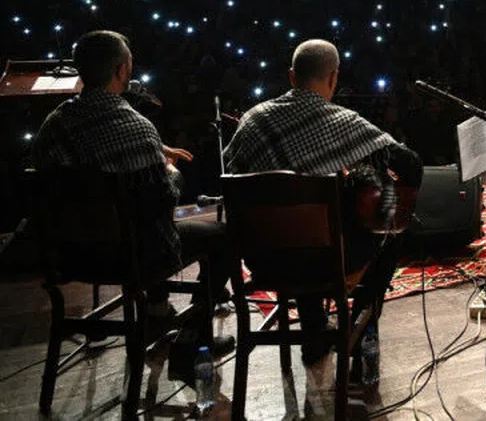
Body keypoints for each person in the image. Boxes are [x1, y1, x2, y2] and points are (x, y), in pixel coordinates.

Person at [32, 31, 234, 359]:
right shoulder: (135, 126)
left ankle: (156, 308)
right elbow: (165, 197)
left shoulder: (54, 123)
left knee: (141, 213)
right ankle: (192, 338)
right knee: (223, 226)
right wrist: (168, 169)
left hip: (68, 254)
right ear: (122, 70)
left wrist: (154, 152)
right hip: (134, 255)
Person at [224, 39, 423, 366]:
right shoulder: (342, 121)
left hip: (262, 261)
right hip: (325, 261)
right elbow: (409, 163)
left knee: (300, 224)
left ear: (291, 76)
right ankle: (362, 340)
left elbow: (230, 172)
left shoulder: (253, 120)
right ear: (333, 78)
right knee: (385, 236)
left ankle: (314, 332)